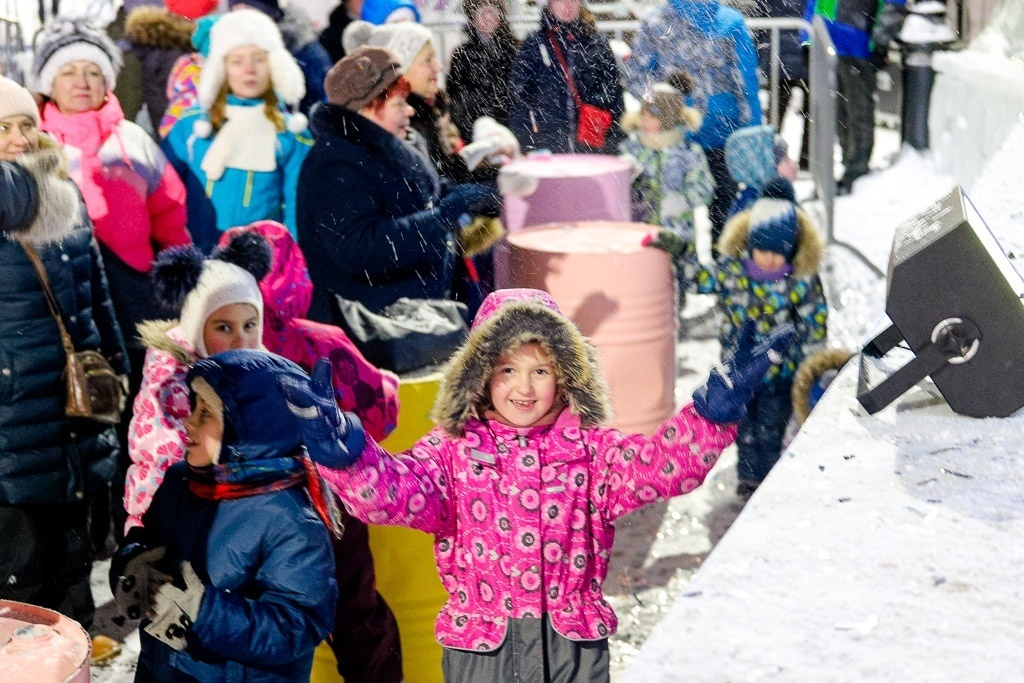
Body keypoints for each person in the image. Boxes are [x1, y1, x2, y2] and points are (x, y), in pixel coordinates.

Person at [280, 287, 796, 683]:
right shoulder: (452, 452)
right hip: (484, 652)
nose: (523, 387)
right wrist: (347, 455)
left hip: (570, 650)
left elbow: (661, 466)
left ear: (566, 375)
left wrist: (708, 416)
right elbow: (395, 491)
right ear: (480, 373)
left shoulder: (591, 451)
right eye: (506, 369)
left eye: (541, 369)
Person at [130, 226, 405, 681]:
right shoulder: (173, 384)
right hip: (216, 533)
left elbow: (361, 410)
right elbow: (156, 468)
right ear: (197, 330)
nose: (240, 339)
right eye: (223, 328)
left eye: (249, 325)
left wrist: (331, 457)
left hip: (302, 505)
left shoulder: (276, 369)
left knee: (355, 610)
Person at [0, 75, 129, 664]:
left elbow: (97, 300)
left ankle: (73, 648)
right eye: (2, 128)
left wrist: (119, 375)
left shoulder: (64, 196)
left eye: (25, 123)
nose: (18, 137)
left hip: (72, 410)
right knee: (19, 568)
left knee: (74, 550)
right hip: (11, 421)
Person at [110, 349, 338, 680]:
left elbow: (297, 627)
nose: (188, 421)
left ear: (248, 431)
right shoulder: (181, 481)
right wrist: (130, 565)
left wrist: (204, 609)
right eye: (193, 407)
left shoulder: (290, 518)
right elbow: (145, 537)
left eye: (206, 414)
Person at [651, 177, 828, 495]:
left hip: (780, 374)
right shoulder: (732, 272)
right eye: (763, 249)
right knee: (743, 428)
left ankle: (768, 479)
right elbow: (699, 280)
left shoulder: (799, 281)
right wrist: (682, 252)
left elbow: (813, 324)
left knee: (771, 427)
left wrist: (814, 368)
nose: (771, 259)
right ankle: (748, 477)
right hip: (738, 375)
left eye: (781, 252)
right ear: (749, 243)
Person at [297, 46, 499, 320]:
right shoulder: (335, 164)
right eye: (398, 104)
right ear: (367, 108)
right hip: (372, 329)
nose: (410, 111)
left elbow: (420, 198)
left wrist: (481, 196)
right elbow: (360, 249)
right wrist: (442, 218)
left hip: (406, 318)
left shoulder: (382, 150)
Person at [163, 9, 313, 252]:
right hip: (196, 253)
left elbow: (298, 207)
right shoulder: (191, 126)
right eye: (237, 61)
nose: (249, 70)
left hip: (261, 262)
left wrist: (290, 260)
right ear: (221, 69)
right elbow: (164, 192)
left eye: (258, 59)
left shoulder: (291, 134)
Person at [625, 0, 762, 251]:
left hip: (672, 136)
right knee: (724, 213)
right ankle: (723, 274)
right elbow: (746, 82)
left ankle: (674, 273)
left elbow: (637, 75)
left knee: (668, 217)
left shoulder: (656, 21)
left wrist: (659, 107)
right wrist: (751, 130)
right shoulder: (731, 22)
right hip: (717, 132)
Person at [344, 19, 473, 183]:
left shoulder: (427, 109)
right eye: (427, 60)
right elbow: (433, 188)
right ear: (401, 70)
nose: (437, 67)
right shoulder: (404, 120)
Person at [804, 0, 907, 195]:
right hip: (827, 41)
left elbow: (894, 3)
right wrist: (807, 39)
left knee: (857, 111)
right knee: (838, 113)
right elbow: (814, 5)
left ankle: (856, 173)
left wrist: (881, 39)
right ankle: (849, 171)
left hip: (856, 43)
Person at [508, 0, 625, 154]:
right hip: (547, 145)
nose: (567, 5)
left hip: (592, 144)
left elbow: (613, 92)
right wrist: (525, 141)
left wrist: (610, 139)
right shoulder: (535, 43)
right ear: (550, 5)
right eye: (560, 1)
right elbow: (519, 96)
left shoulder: (597, 42)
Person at [618, 72, 713, 249]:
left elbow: (704, 187)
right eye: (643, 114)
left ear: (668, 120)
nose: (644, 120)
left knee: (677, 275)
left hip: (679, 236)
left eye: (652, 116)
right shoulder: (632, 150)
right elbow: (618, 188)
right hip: (640, 235)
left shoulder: (689, 153)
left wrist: (682, 200)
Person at [227, 0, 335, 115]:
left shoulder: (306, 53)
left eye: (249, 13)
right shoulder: (228, 53)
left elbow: (326, 109)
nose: (242, 23)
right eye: (236, 14)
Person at [446, 0, 520, 144]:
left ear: (500, 15)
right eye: (481, 12)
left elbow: (518, 94)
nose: (487, 17)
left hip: (507, 129)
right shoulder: (461, 54)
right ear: (472, 17)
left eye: (492, 11)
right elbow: (455, 97)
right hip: (471, 130)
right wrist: (465, 124)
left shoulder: (514, 50)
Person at [750, 0, 810, 170]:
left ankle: (768, 158)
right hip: (808, 54)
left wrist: (759, 50)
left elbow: (759, 17)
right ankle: (807, 160)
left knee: (776, 110)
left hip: (777, 55)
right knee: (811, 112)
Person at [122, 5, 197, 135]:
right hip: (182, 130)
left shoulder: (150, 56)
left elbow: (157, 103)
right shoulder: (182, 51)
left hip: (167, 132)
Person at [724, 123, 798, 217]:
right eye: (786, 159)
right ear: (765, 167)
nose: (794, 163)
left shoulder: (774, 196)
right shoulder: (758, 205)